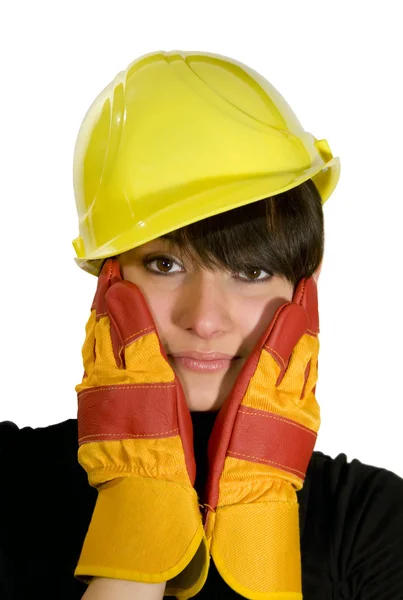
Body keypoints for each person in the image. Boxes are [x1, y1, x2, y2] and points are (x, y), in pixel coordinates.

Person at [1, 50, 402, 600]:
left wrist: (260, 507)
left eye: (252, 270)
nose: (206, 319)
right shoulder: (8, 484)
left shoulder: (375, 520)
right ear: (108, 282)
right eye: (166, 264)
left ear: (302, 294)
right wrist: (139, 497)